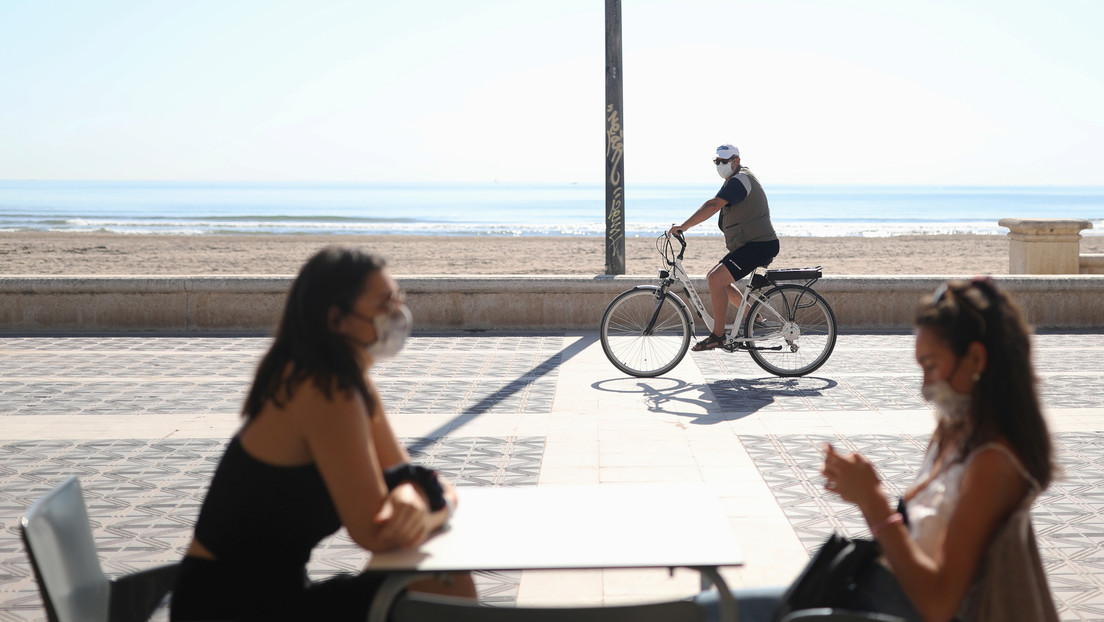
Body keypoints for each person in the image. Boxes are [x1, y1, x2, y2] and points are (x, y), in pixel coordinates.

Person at [698, 278, 1059, 622]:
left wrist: (872, 501)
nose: (925, 387)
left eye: (931, 366)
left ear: (977, 359)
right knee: (704, 609)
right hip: (871, 594)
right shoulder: (955, 432)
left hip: (885, 609)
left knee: (704, 613)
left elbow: (938, 605)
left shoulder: (993, 461)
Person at [170, 246, 476, 622]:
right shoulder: (325, 391)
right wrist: (433, 508)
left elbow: (407, 476)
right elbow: (376, 533)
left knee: (442, 581)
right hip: (229, 606)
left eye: (399, 299)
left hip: (274, 593)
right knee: (441, 586)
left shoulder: (351, 383)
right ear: (338, 319)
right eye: (385, 304)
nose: (398, 314)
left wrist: (418, 495)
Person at [667, 143, 779, 351]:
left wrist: (684, 226)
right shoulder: (735, 179)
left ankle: (718, 336)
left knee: (716, 279)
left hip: (759, 245)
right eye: (717, 161)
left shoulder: (740, 180)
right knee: (717, 279)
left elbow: (713, 205)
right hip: (752, 244)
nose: (720, 165)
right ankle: (754, 316)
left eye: (724, 161)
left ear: (736, 161)